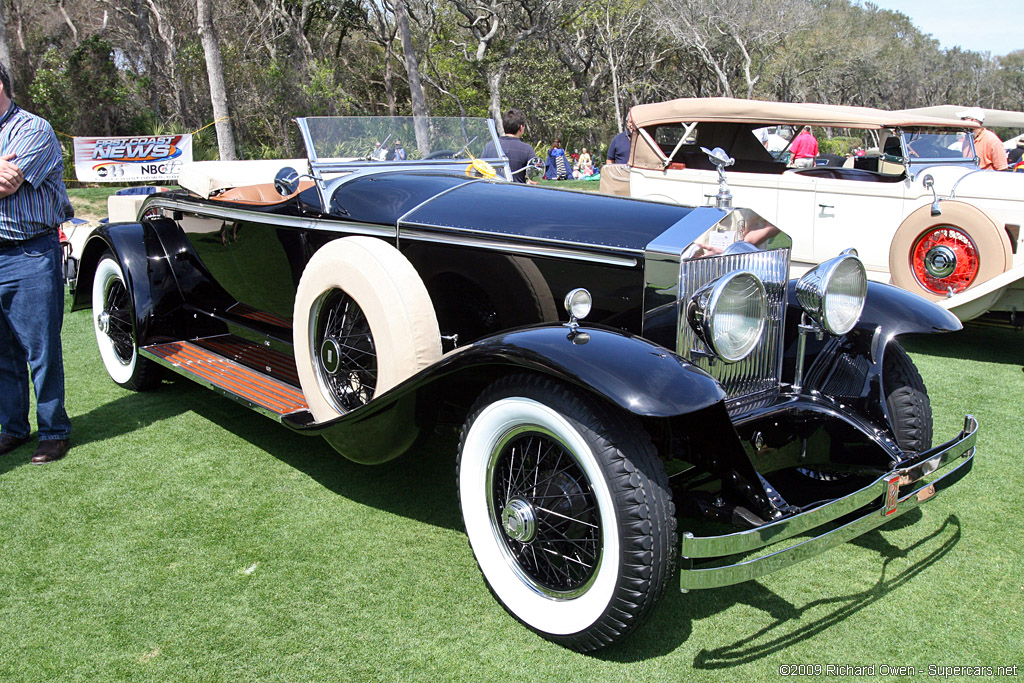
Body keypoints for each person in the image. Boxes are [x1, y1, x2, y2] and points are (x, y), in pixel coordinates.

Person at [0, 61, 74, 464]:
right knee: (2, 353)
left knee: (40, 348)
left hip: (28, 252)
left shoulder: (33, 129)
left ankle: (54, 430)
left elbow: (6, 183)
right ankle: (12, 427)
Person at [481, 108, 536, 184]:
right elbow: (534, 180)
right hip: (517, 192)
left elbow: (480, 172)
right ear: (521, 127)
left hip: (492, 192)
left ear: (504, 126)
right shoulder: (527, 149)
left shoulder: (489, 146)